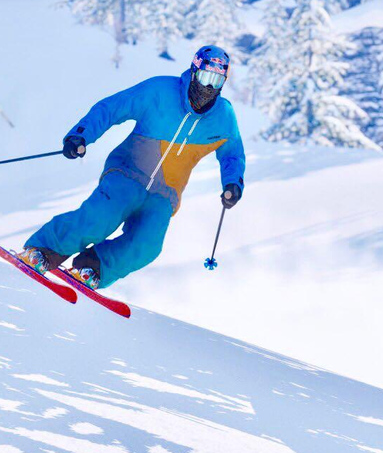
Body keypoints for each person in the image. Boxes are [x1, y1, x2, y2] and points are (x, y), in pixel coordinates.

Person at [16, 45, 245, 289]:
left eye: (217, 80)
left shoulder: (224, 116)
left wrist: (233, 183)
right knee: (100, 219)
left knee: (147, 246)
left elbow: (232, 153)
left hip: (165, 193)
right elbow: (114, 107)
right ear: (194, 70)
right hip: (128, 172)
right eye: (205, 77)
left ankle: (93, 268)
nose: (209, 87)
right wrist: (81, 135)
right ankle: (43, 250)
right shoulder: (159, 91)